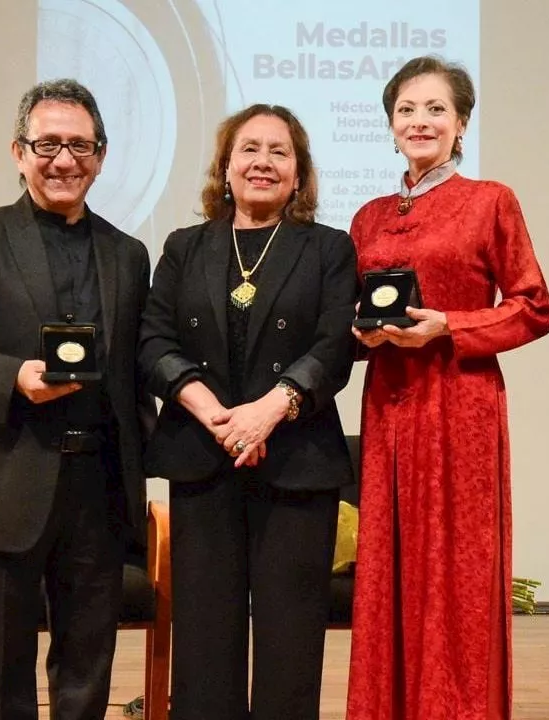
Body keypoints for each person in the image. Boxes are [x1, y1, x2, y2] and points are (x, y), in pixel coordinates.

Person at [0, 79, 152, 719]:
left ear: (101, 156)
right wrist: (14, 377)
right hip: (2, 483)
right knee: (1, 674)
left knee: (86, 673)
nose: (64, 160)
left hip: (98, 489)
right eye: (47, 144)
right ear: (18, 151)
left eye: (79, 146)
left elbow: (134, 369)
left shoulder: (129, 254)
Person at [345, 56, 549, 720]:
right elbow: (349, 311)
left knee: (458, 573)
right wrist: (361, 333)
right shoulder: (368, 215)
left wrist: (448, 325)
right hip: (387, 401)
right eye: (406, 110)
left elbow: (534, 307)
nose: (420, 121)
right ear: (390, 125)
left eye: (436, 109)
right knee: (387, 570)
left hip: (460, 403)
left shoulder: (490, 200)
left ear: (461, 123)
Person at [138, 104, 358, 720]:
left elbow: (335, 343)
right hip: (202, 461)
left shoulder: (329, 249)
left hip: (296, 465)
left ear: (299, 173)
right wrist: (218, 418)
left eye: (279, 152)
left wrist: (267, 412)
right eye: (250, 149)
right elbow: (154, 341)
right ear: (226, 165)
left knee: (291, 646)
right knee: (204, 642)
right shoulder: (185, 247)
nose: (263, 161)